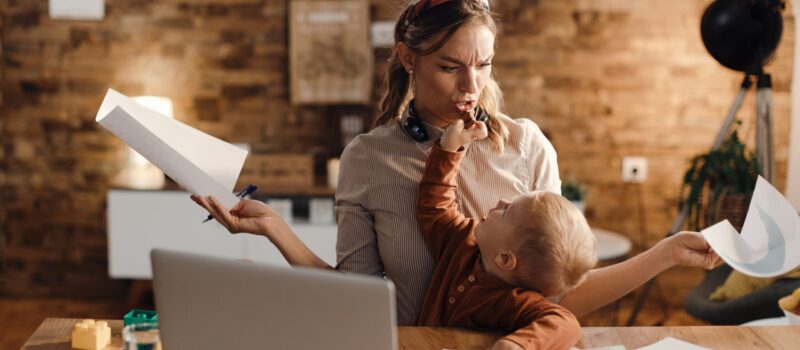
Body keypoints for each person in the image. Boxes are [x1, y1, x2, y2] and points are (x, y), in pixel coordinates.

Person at [194, 0, 721, 326]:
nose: (472, 88)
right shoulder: (369, 159)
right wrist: (277, 232)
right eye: (450, 68)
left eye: (483, 65)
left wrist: (666, 253)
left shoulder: (528, 146)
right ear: (408, 58)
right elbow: (355, 299)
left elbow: (563, 296)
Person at [414, 118, 596, 349]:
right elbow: (435, 206)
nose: (500, 201)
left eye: (507, 210)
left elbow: (566, 323)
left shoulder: (514, 301)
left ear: (505, 259)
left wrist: (517, 346)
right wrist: (449, 149)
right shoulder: (462, 239)